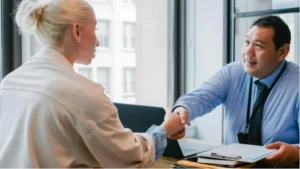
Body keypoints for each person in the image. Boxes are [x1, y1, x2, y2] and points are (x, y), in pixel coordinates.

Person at [0, 0, 184, 168]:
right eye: (95, 28)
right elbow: (130, 158)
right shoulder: (82, 93)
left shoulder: (9, 83)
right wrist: (165, 129)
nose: (98, 41)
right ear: (77, 30)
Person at [172, 15, 299, 167]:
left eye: (258, 46)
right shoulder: (233, 72)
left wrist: (296, 152)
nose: (248, 51)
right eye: (246, 42)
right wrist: (182, 110)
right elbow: (200, 98)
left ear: (282, 52)